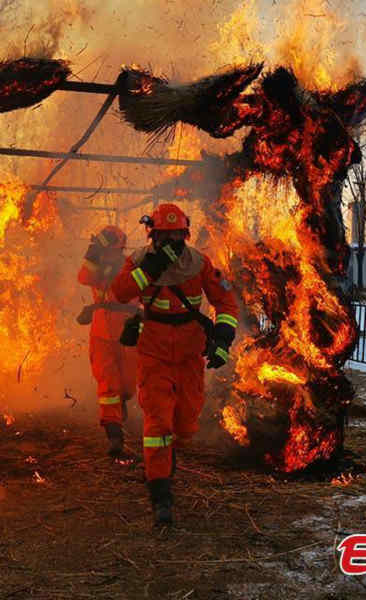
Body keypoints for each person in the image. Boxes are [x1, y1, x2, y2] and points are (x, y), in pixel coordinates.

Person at [111, 203, 239, 525]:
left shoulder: (199, 264)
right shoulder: (140, 261)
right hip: (153, 354)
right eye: (164, 236)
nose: (171, 242)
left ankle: (169, 457)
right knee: (158, 423)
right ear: (152, 235)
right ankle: (160, 493)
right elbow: (120, 291)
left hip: (189, 355)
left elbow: (225, 301)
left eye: (176, 236)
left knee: (185, 423)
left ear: (186, 234)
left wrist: (222, 341)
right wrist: (151, 269)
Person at [77, 225, 138, 458]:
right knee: (107, 382)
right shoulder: (97, 264)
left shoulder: (133, 266)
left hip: (129, 332)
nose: (108, 254)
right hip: (102, 331)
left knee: (128, 384)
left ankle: (122, 403)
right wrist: (92, 253)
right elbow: (83, 277)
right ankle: (114, 434)